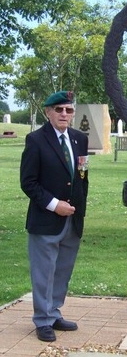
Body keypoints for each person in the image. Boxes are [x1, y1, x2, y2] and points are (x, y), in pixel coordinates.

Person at [20, 91, 89, 342]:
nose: (64, 114)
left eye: (68, 110)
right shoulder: (36, 140)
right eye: (58, 109)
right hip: (46, 219)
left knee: (62, 271)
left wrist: (78, 208)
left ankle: (54, 312)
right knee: (44, 272)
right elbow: (28, 182)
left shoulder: (80, 139)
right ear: (47, 112)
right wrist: (54, 205)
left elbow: (83, 176)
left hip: (73, 219)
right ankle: (42, 320)